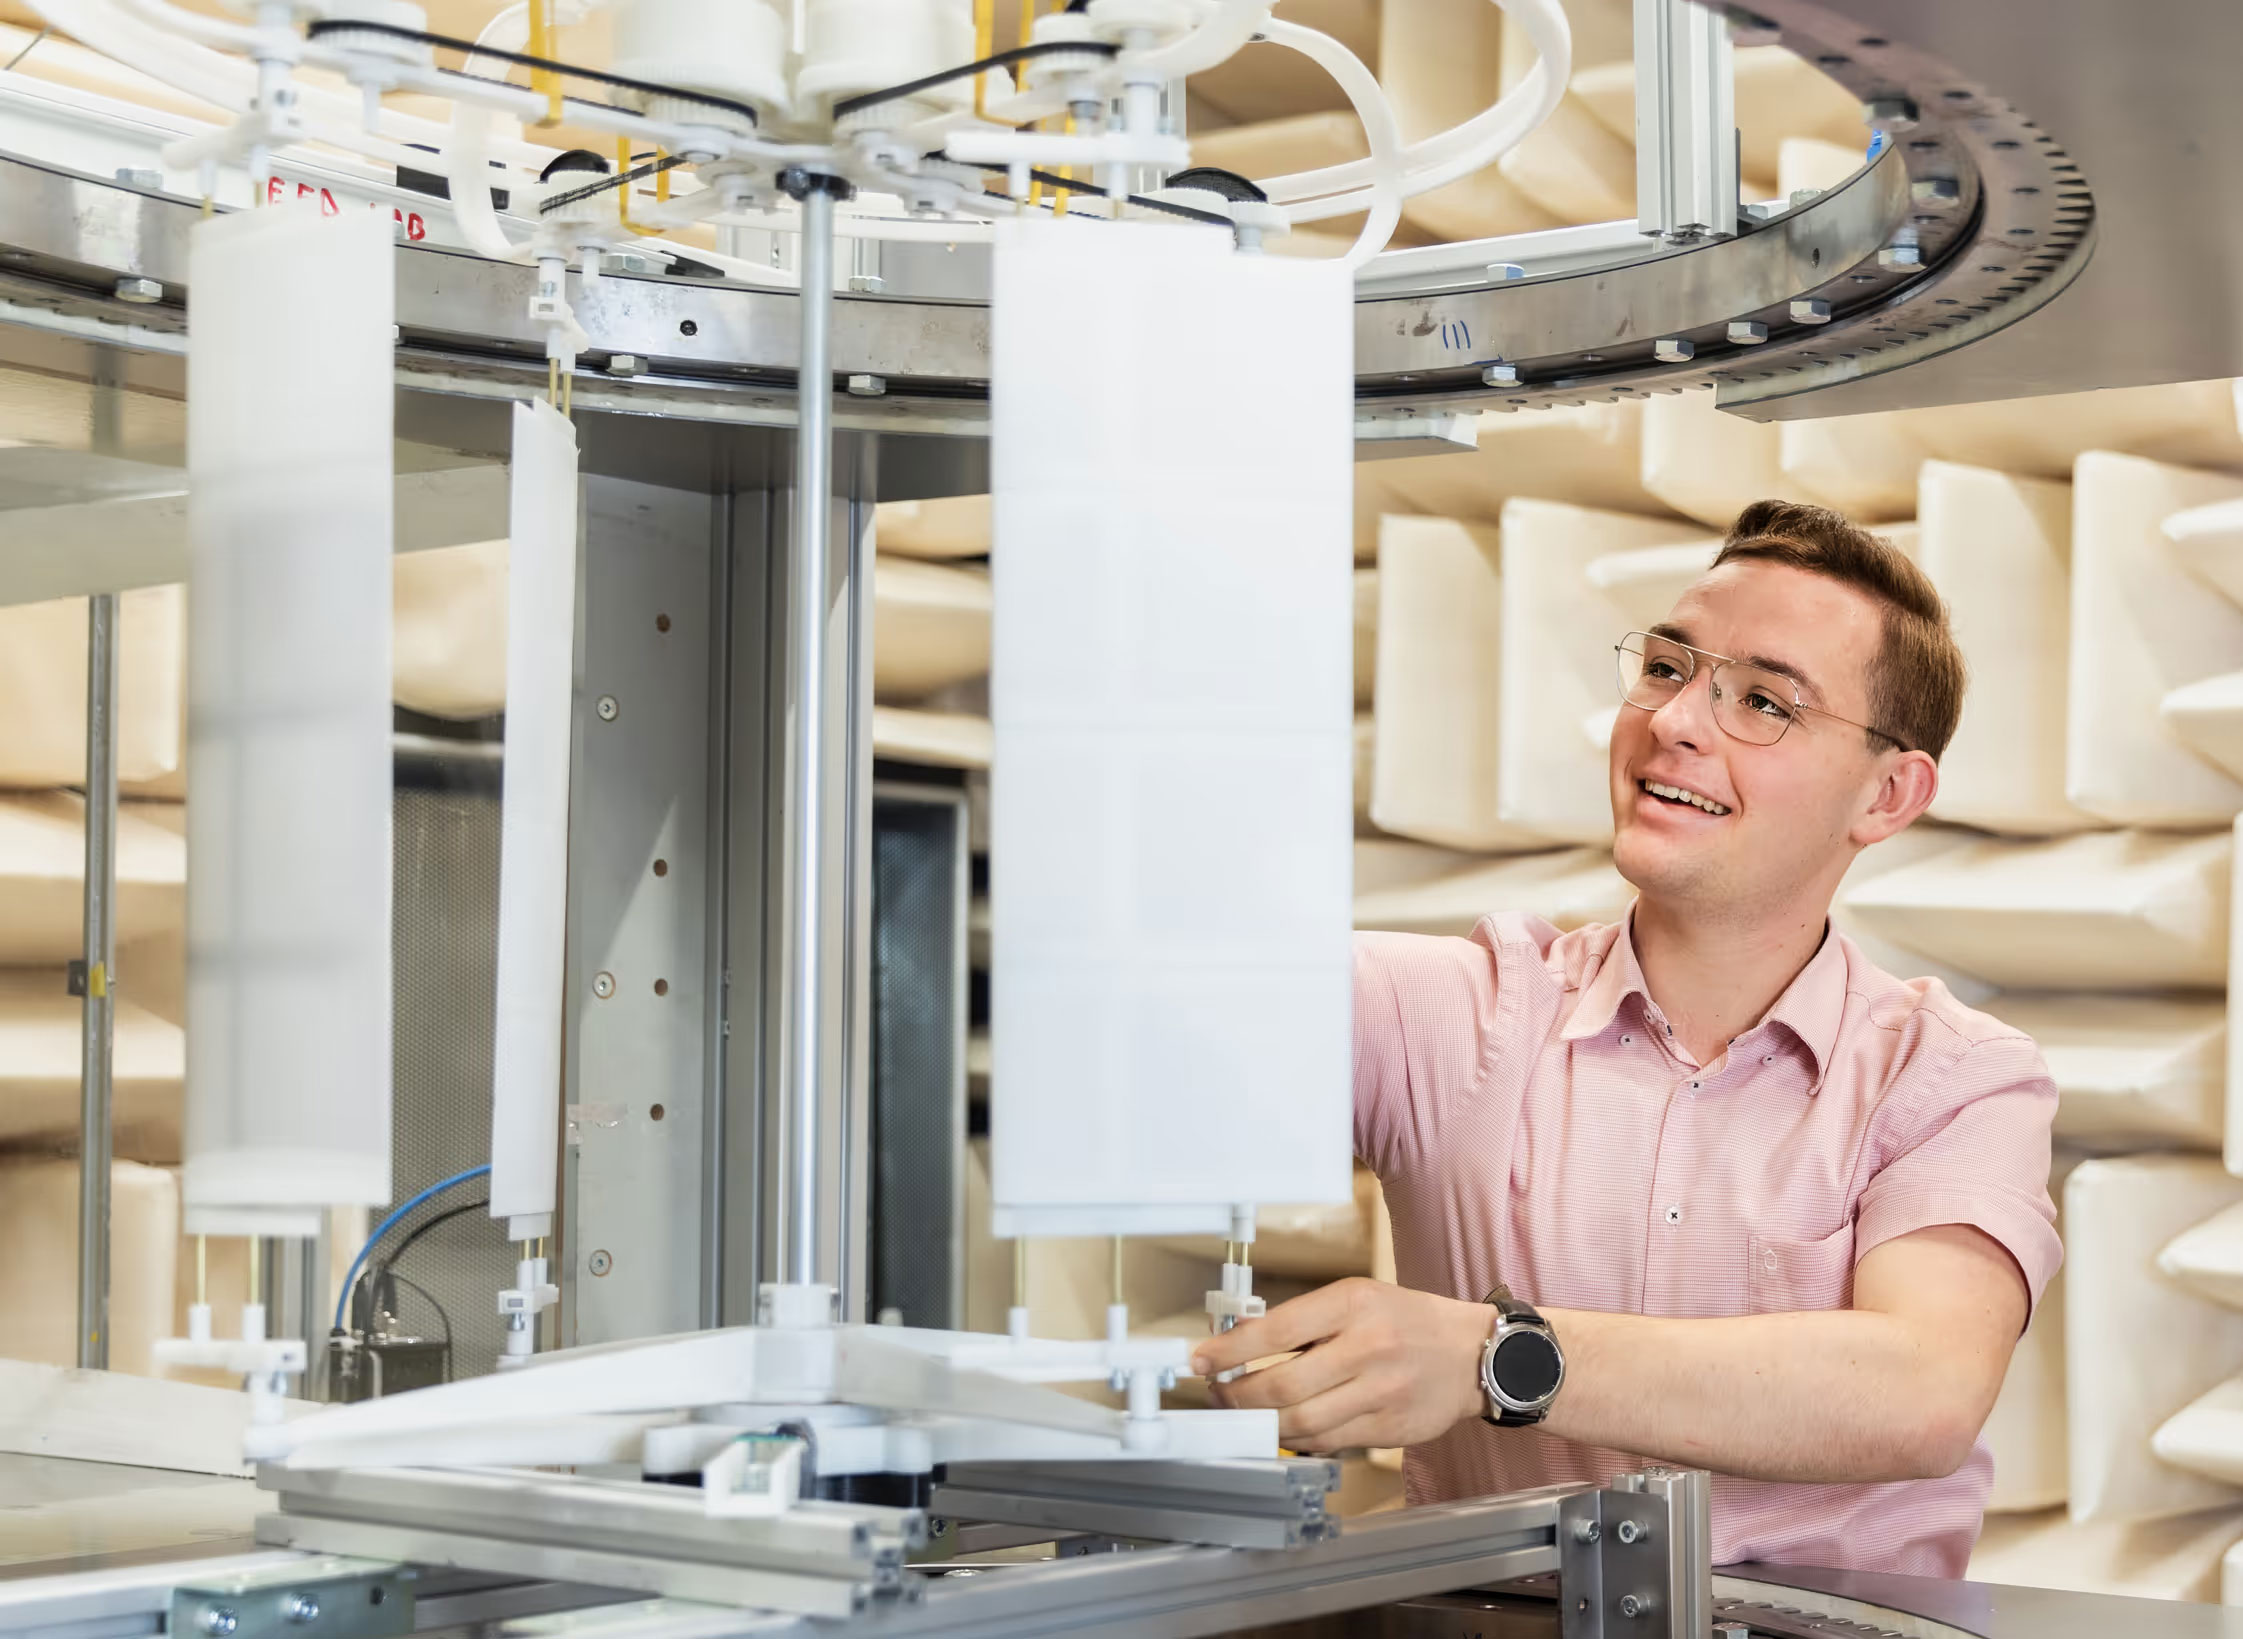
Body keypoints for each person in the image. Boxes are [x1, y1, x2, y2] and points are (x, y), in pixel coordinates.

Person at [1192, 500, 2061, 1577]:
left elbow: (1921, 1391)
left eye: (1762, 701)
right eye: (1664, 668)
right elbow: (1171, 994)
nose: (1677, 720)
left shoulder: (1954, 1079)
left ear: (1887, 794)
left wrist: (1491, 1357)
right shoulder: (1460, 1013)